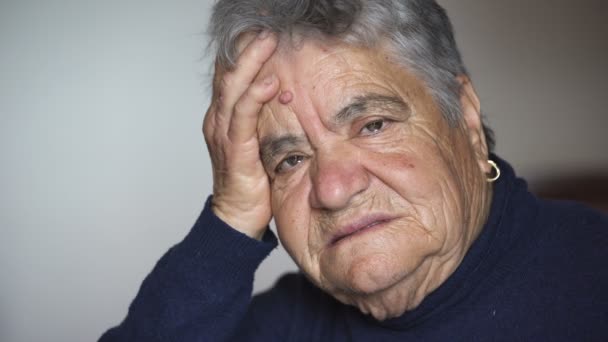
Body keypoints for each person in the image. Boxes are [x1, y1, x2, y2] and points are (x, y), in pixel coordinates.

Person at [100, 0, 608, 340]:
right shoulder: (290, 323)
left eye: (373, 125)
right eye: (291, 159)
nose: (334, 189)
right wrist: (230, 217)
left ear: (467, 118)